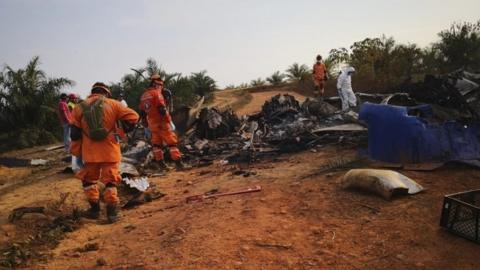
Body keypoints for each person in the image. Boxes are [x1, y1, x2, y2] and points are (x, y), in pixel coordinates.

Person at [70, 82, 139, 223]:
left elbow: (74, 134)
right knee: (110, 181)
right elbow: (134, 117)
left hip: (90, 153)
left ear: (92, 92)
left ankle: (94, 211)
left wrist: (77, 152)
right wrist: (122, 131)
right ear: (106, 93)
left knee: (89, 181)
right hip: (110, 151)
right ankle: (112, 214)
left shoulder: (78, 107)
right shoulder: (113, 104)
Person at [139, 74, 184, 171]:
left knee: (156, 145)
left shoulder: (143, 96)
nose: (161, 88)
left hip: (152, 123)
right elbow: (162, 109)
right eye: (160, 86)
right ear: (156, 85)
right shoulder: (157, 93)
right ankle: (179, 164)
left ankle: (161, 165)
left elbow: (142, 113)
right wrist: (169, 120)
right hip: (162, 122)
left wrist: (146, 125)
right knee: (172, 143)